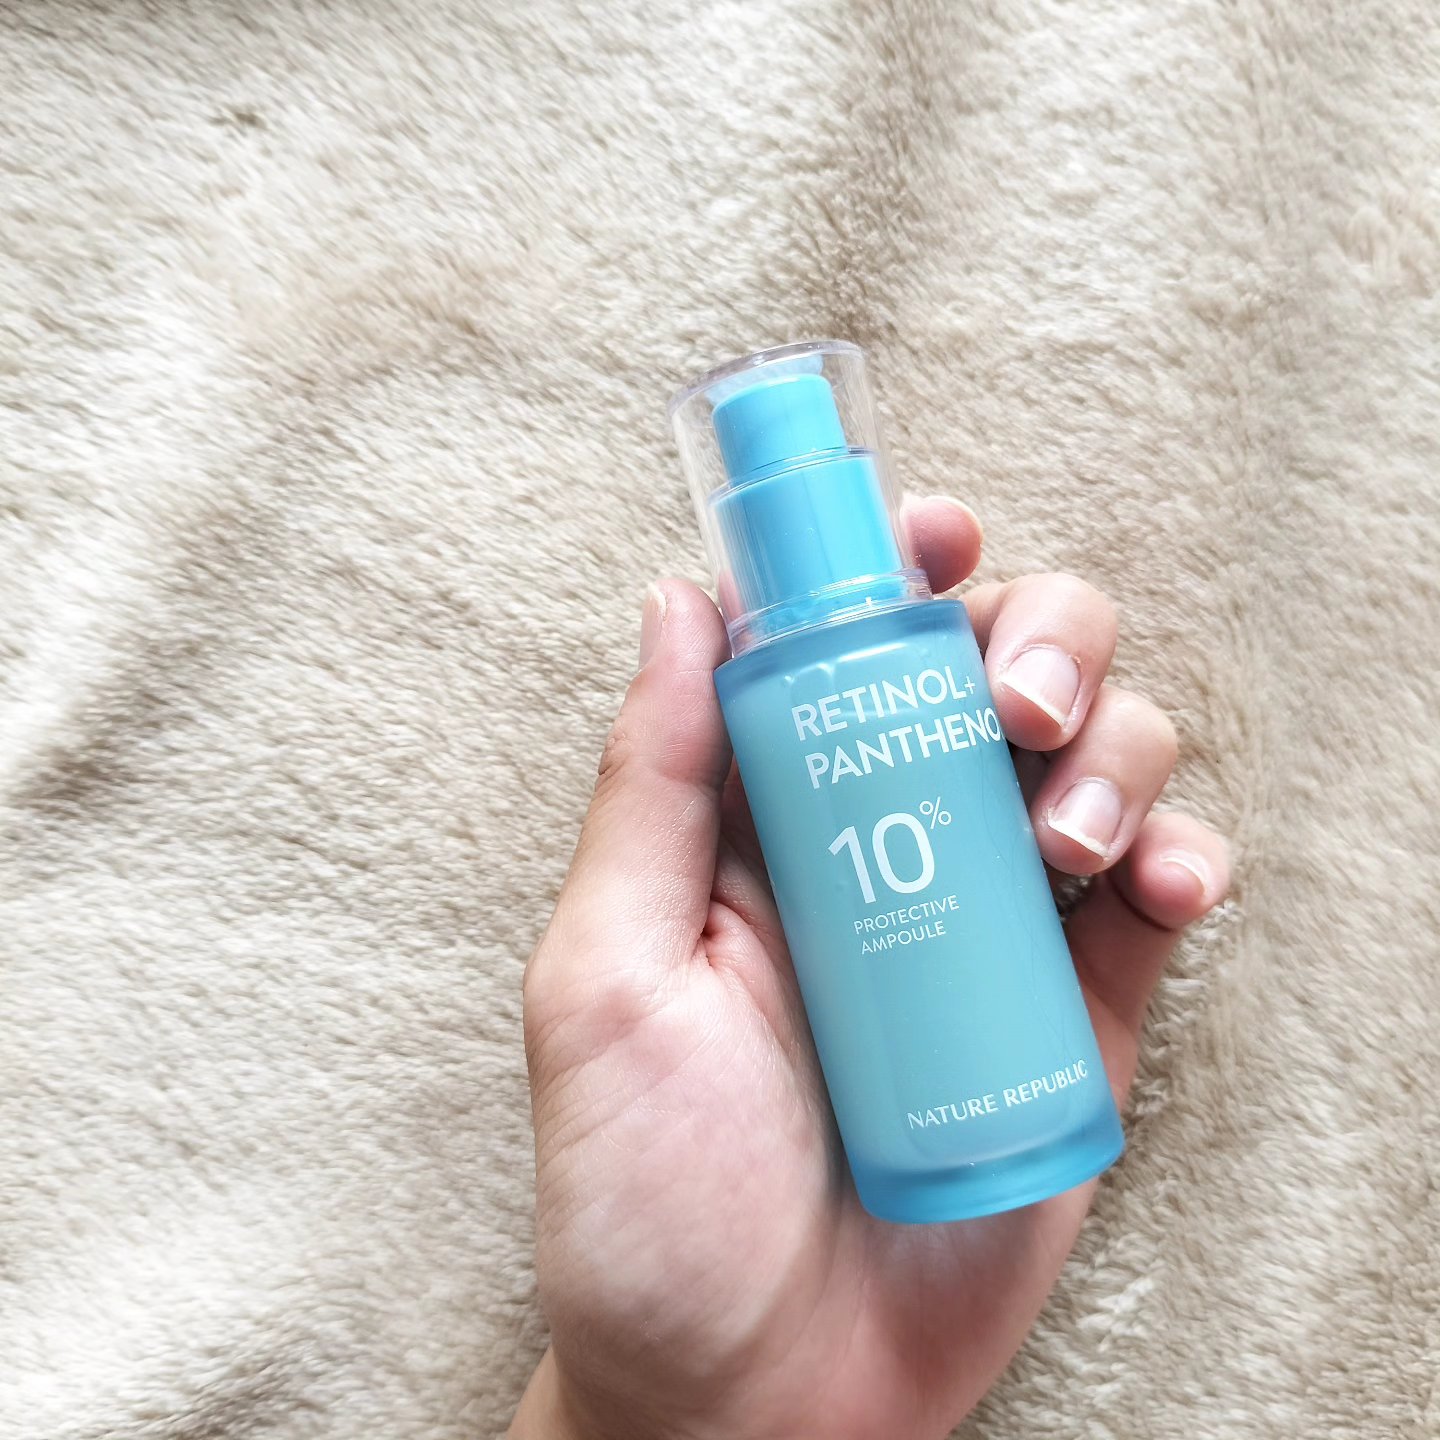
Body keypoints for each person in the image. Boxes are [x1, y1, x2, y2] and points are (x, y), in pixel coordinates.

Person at [510, 495, 1229, 1440]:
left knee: (1038, 731)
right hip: (822, 1239)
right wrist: (634, 1416)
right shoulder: (773, 690)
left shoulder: (924, 646)